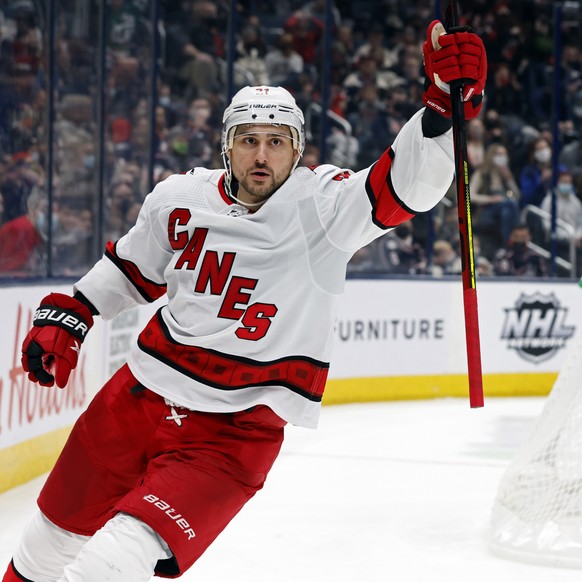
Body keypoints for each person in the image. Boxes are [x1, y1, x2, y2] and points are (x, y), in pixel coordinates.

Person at [2, 20, 487, 582]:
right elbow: (131, 269)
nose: (262, 155)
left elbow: (406, 188)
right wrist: (76, 311)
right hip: (134, 398)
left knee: (112, 565)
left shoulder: (325, 209)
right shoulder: (179, 199)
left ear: (297, 150)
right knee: (41, 551)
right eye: (249, 140)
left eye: (277, 142)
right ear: (226, 146)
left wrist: (438, 111)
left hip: (232, 433)